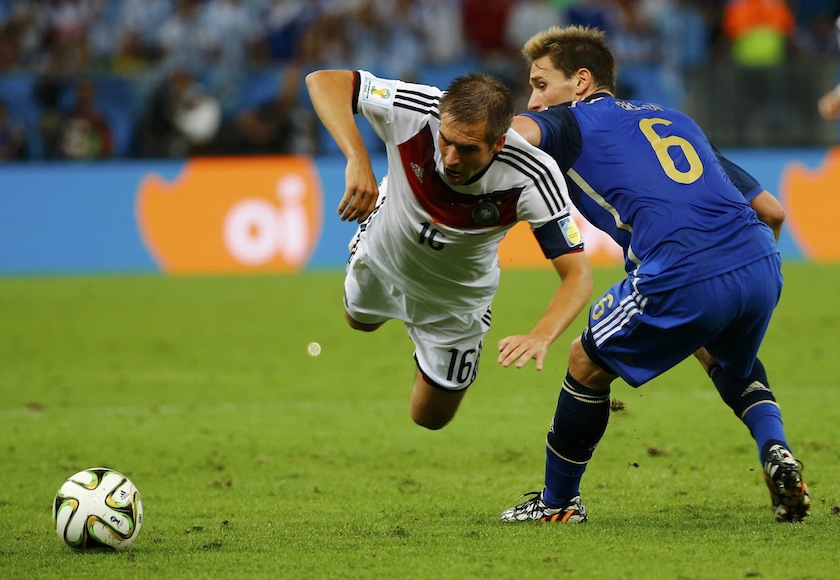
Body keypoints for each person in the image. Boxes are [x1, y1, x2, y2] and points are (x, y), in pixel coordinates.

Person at [499, 25, 809, 524]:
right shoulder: (674, 118)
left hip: (683, 270)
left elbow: (509, 133)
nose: (534, 100)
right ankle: (777, 450)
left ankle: (558, 505)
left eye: (540, 84)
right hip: (759, 262)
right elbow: (771, 211)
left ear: (581, 82)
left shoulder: (571, 122)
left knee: (585, 360)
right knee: (727, 359)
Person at [305, 69, 592, 430]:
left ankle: (428, 348)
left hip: (456, 302)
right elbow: (323, 81)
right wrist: (357, 157)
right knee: (358, 322)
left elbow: (578, 275)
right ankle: (381, 217)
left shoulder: (533, 176)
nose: (451, 158)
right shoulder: (417, 110)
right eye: (446, 141)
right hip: (381, 256)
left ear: (498, 144)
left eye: (469, 148)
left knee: (430, 418)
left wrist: (541, 335)